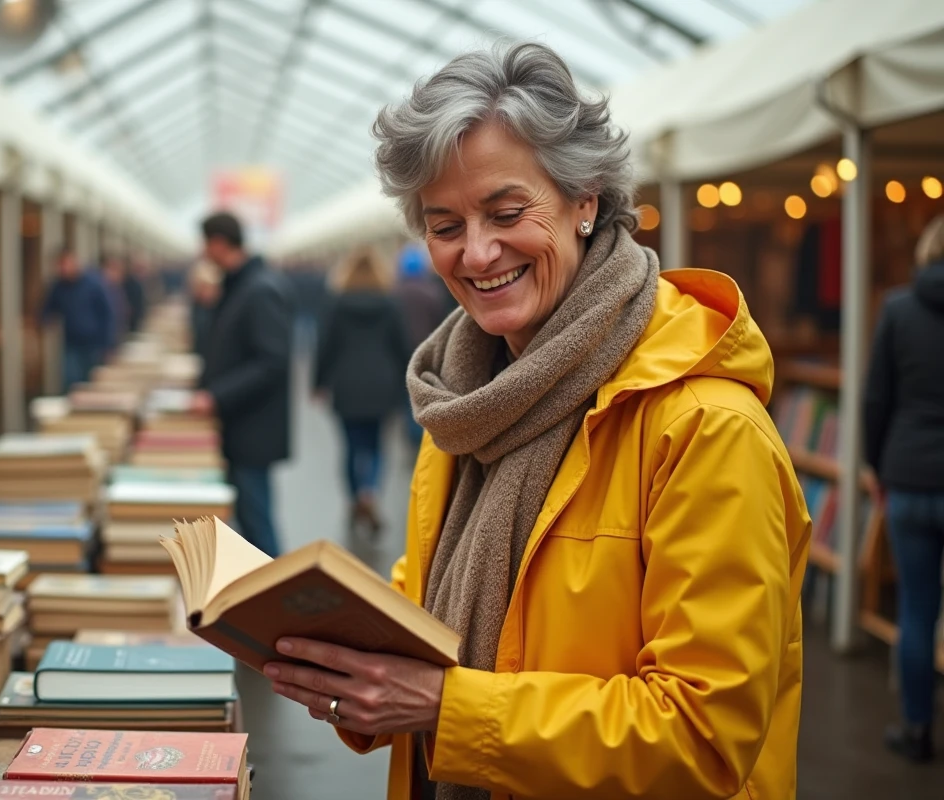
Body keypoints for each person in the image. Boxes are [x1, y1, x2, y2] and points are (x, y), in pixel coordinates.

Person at [262, 42, 810, 800]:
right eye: (443, 224)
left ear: (586, 199)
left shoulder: (706, 427)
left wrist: (443, 707)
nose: (477, 252)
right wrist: (346, 664)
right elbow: (431, 596)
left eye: (508, 212)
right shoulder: (467, 401)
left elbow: (705, 735)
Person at [864, 213, 944, 764]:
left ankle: (917, 731)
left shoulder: (897, 308)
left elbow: (875, 399)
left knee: (916, 609)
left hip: (909, 476)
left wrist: (876, 467)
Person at [192, 212, 293, 558]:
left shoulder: (258, 291)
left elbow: (272, 361)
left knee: (257, 520)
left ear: (219, 243)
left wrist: (217, 396)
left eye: (205, 244)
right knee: (252, 518)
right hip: (243, 423)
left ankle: (276, 598)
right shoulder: (241, 286)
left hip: (253, 428)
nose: (203, 253)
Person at [315, 247, 412, 535]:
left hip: (346, 384)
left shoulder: (336, 304)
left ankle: (355, 496)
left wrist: (318, 382)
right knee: (376, 445)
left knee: (350, 445)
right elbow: (402, 347)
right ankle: (369, 491)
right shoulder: (391, 304)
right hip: (382, 382)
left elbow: (326, 346)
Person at [393, 243, 449, 449]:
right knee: (421, 392)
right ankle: (420, 436)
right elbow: (441, 321)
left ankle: (411, 434)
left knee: (405, 396)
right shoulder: (432, 292)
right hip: (426, 349)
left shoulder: (394, 293)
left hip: (401, 352)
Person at [40, 248, 116, 390]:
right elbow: (48, 308)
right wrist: (44, 320)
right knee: (71, 380)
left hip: (93, 342)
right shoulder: (58, 286)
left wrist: (108, 344)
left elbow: (108, 314)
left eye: (65, 264)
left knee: (92, 381)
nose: (63, 269)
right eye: (60, 265)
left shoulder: (93, 283)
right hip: (71, 342)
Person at [187, 258, 222, 363]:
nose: (204, 292)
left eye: (207, 287)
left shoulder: (220, 310)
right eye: (200, 287)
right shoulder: (197, 306)